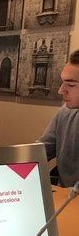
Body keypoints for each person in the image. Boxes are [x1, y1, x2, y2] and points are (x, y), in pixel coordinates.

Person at [39, 49, 79, 188]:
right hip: (66, 197)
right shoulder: (65, 113)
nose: (61, 90)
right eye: (63, 83)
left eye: (71, 85)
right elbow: (39, 152)